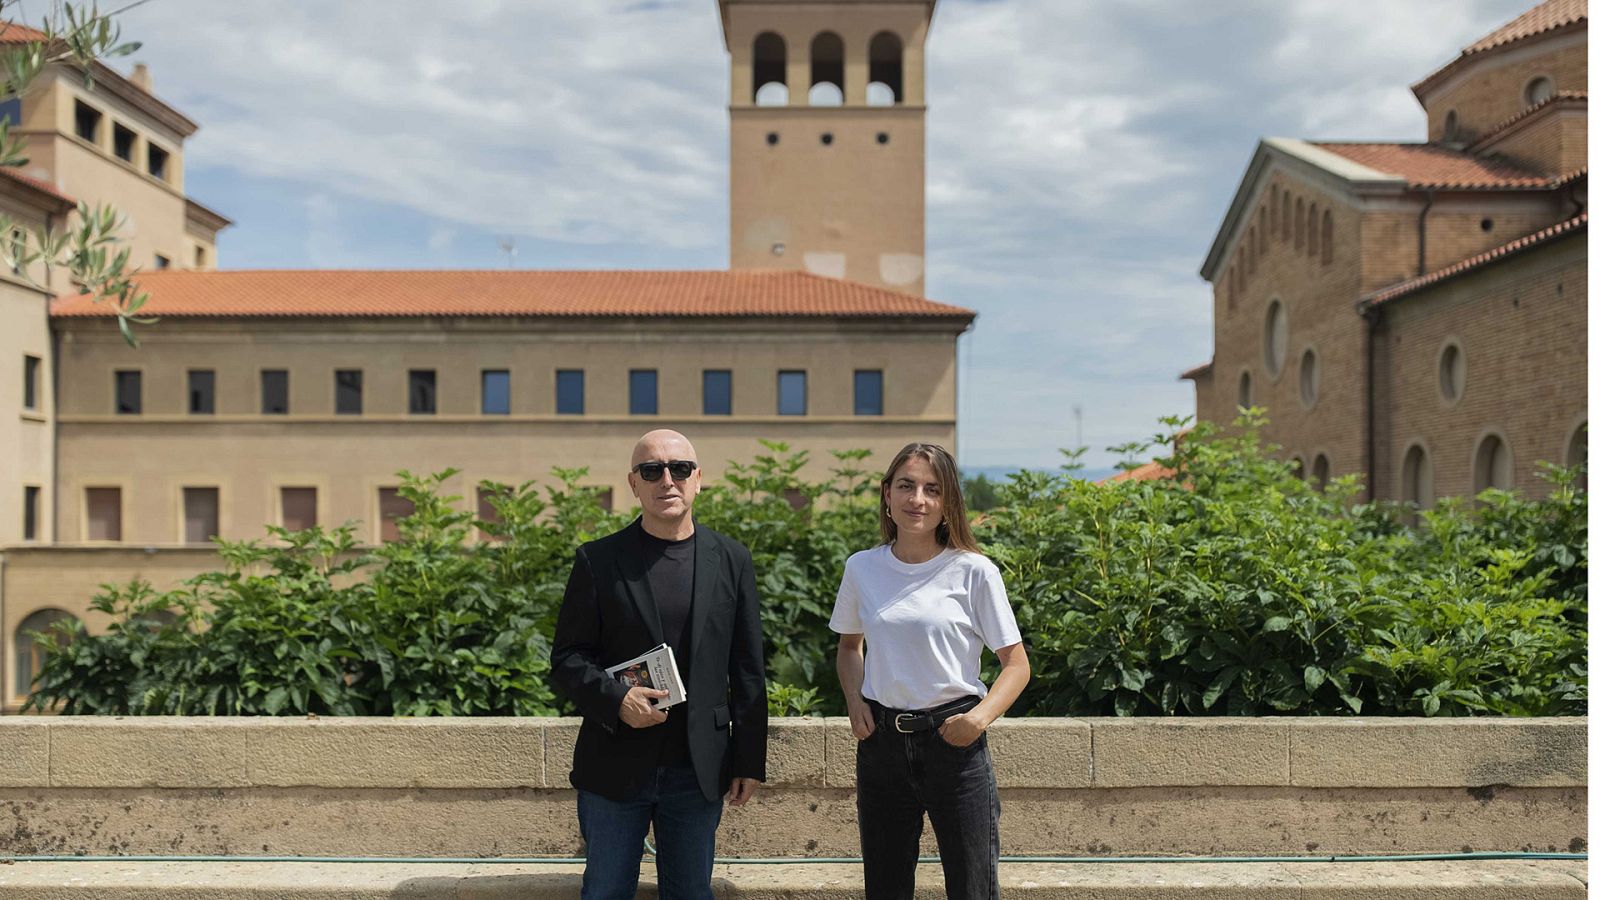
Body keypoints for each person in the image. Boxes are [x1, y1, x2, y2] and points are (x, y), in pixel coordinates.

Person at [552, 429, 767, 900]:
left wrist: (749, 758)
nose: (667, 480)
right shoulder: (597, 560)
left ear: (698, 479)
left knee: (691, 893)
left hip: (698, 769)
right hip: (614, 764)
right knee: (605, 892)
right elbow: (567, 659)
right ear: (634, 483)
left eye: (680, 469)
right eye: (652, 471)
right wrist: (617, 699)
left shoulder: (732, 559)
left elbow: (748, 668)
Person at [830, 442, 1030, 900]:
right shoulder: (862, 568)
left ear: (947, 503)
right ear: (886, 494)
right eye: (906, 486)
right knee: (885, 887)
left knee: (973, 887)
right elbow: (848, 646)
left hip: (954, 745)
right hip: (880, 745)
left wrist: (977, 720)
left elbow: (1016, 665)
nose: (917, 499)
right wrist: (855, 699)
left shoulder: (975, 572)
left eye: (931, 489)